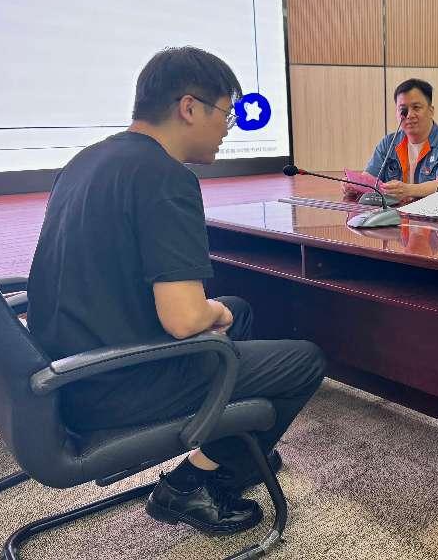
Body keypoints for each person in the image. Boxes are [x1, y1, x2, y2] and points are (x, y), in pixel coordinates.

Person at [27, 47, 326, 536]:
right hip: (114, 383)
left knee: (239, 309)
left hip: (68, 369)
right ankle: (191, 484)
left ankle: (234, 444)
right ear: (189, 107)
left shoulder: (86, 162)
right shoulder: (166, 177)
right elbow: (184, 320)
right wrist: (212, 314)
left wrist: (219, 312)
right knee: (304, 361)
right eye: (226, 113)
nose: (228, 127)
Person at [342, 78, 438, 202]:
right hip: (391, 212)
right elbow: (368, 179)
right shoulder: (388, 143)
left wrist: (408, 190)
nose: (409, 115)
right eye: (403, 110)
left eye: (416, 108)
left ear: (431, 111)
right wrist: (355, 186)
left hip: (430, 213)